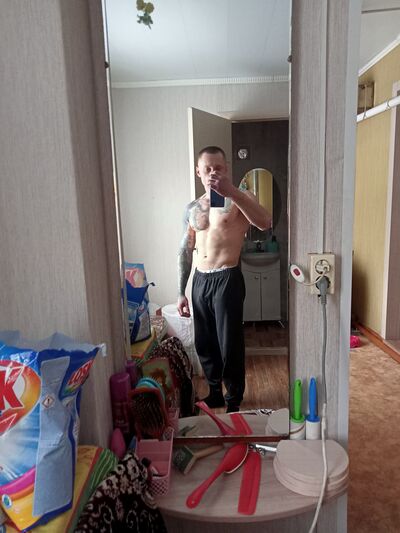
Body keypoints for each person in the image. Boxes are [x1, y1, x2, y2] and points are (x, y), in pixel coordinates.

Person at [177, 146, 271, 413]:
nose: (212, 173)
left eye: (218, 168)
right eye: (207, 168)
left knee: (230, 343)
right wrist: (181, 291)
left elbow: (265, 222)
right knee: (205, 343)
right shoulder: (193, 208)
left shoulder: (240, 198)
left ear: (226, 169)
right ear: (198, 172)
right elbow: (185, 249)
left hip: (227, 277)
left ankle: (233, 399)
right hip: (200, 280)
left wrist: (233, 192)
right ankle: (215, 392)